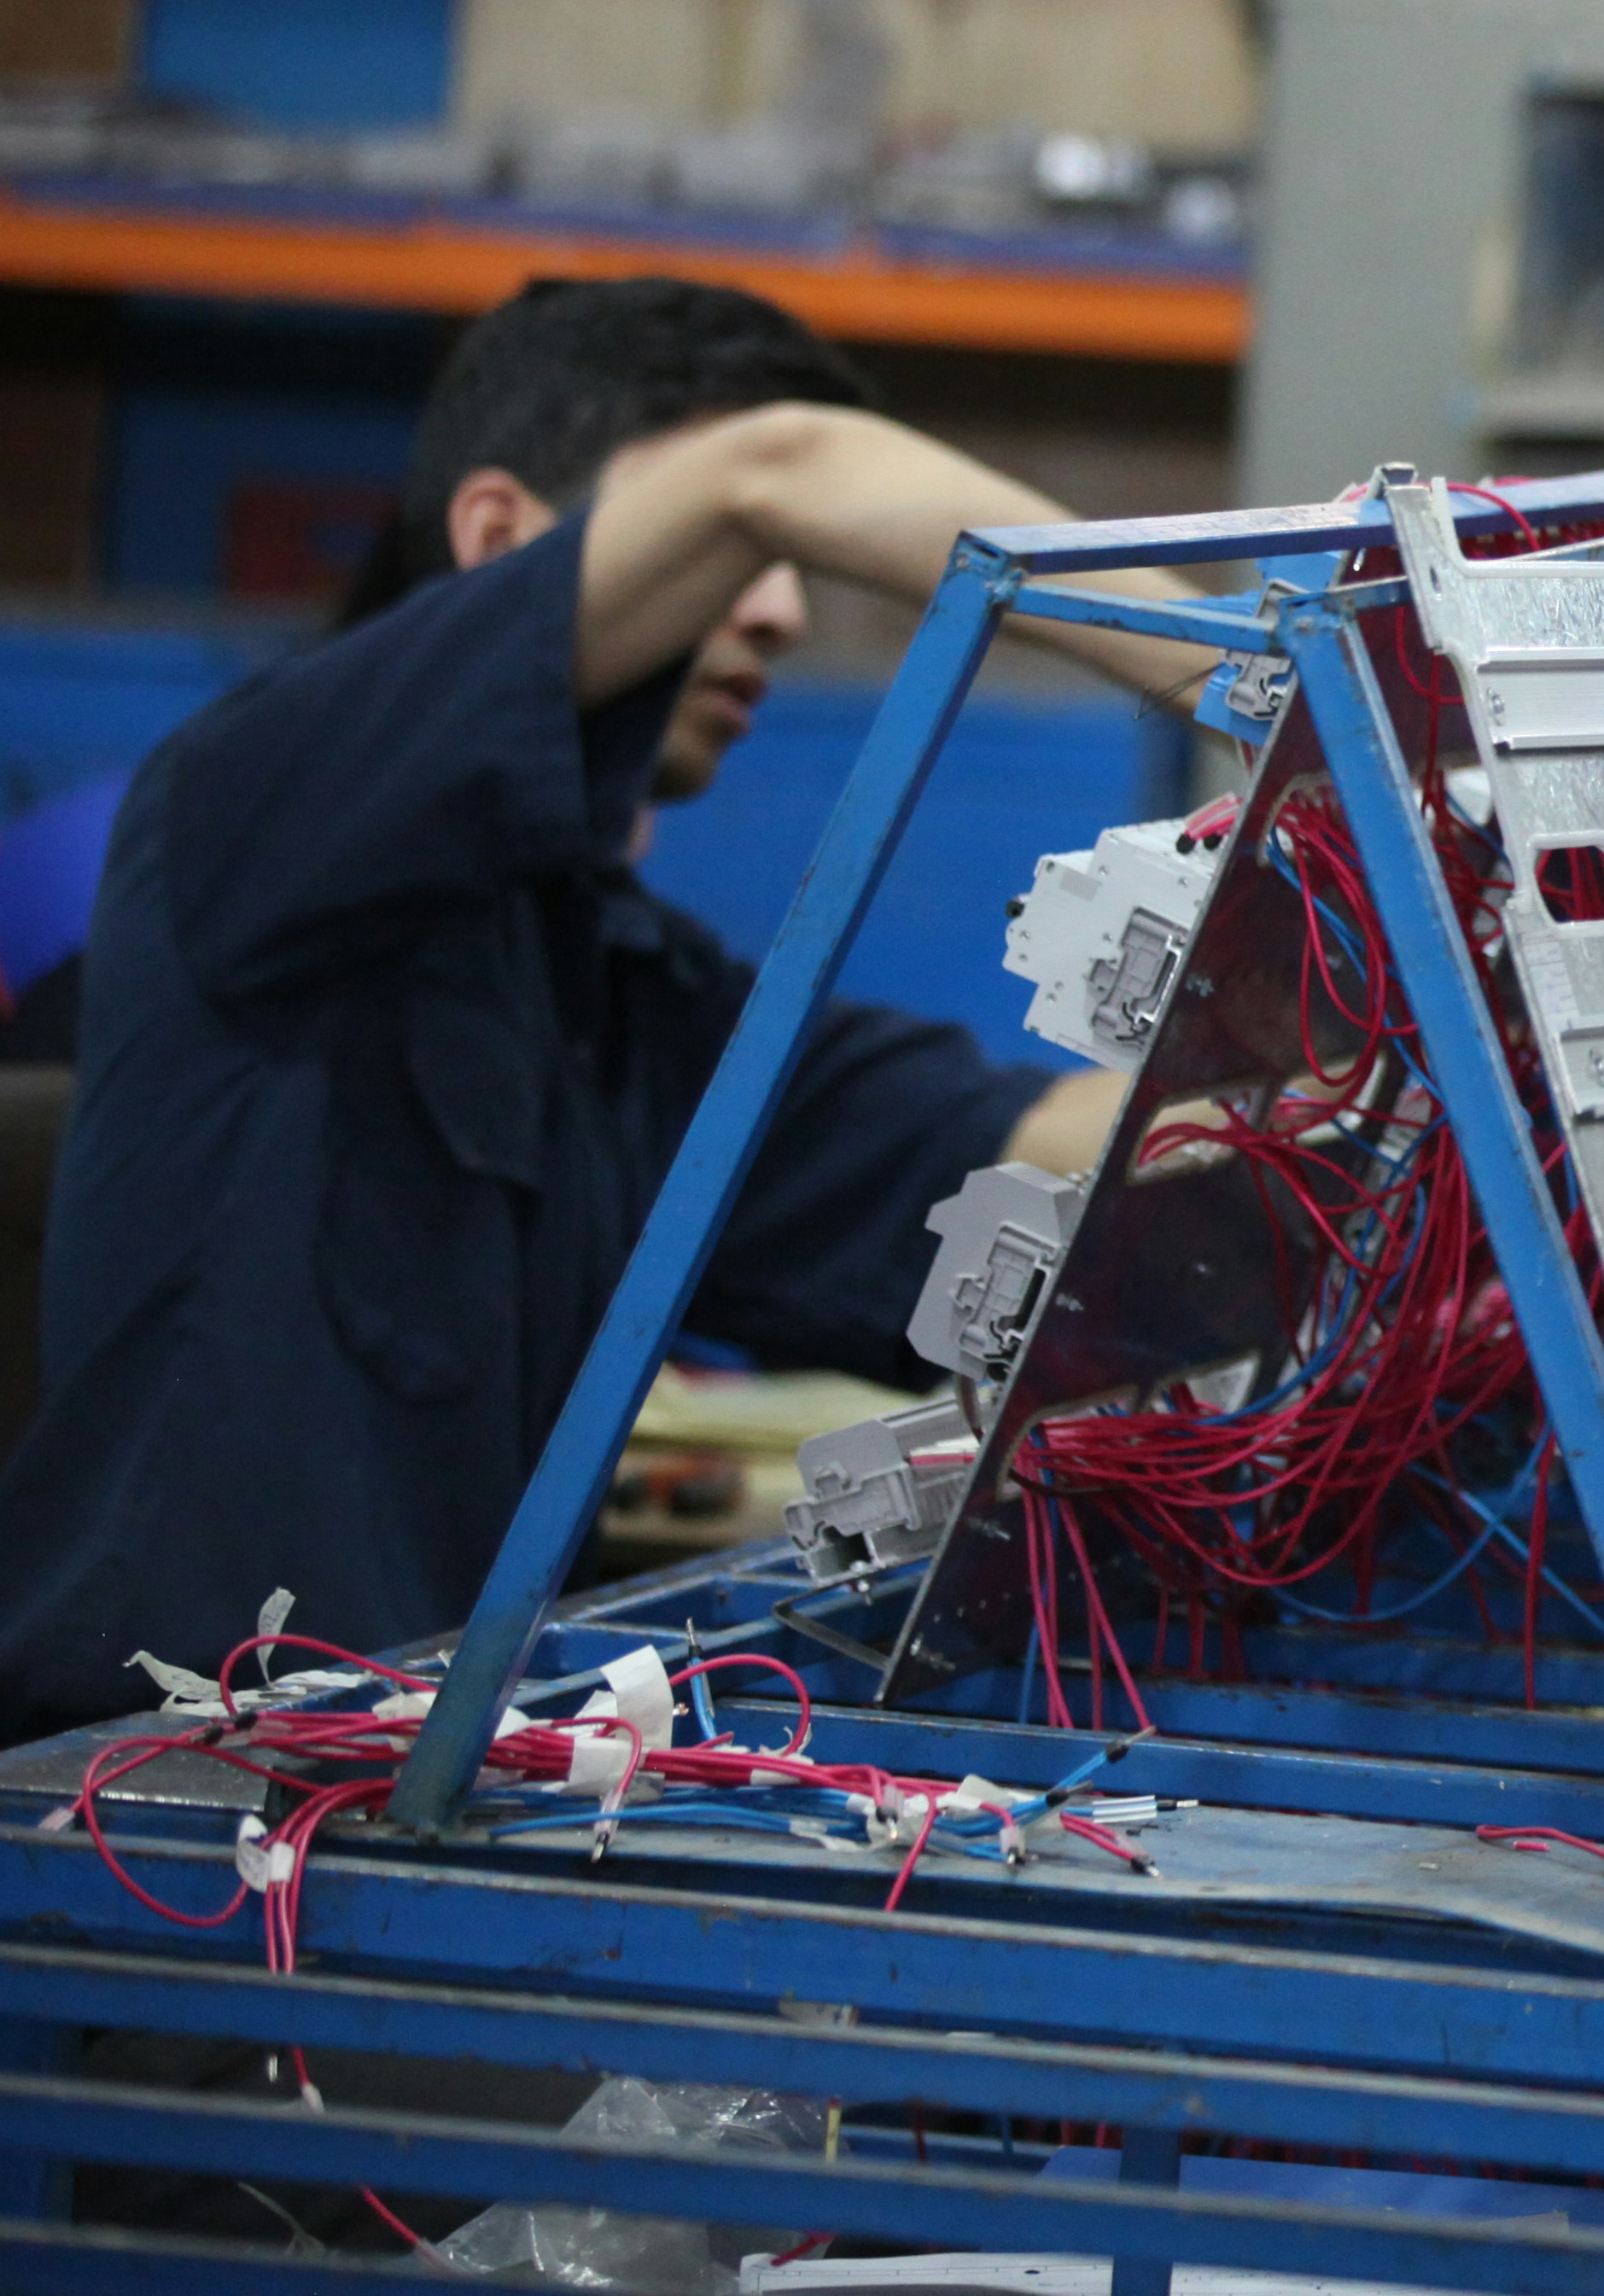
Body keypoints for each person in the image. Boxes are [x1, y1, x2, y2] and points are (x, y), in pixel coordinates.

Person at [0, 277, 1205, 1745]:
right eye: (732, 564)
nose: (780, 607)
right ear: (504, 542)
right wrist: (1251, 660)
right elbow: (783, 472)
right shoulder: (253, 807)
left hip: (420, 1795)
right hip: (166, 1811)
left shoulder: (621, 991)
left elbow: (1050, 1151)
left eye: (782, 569)